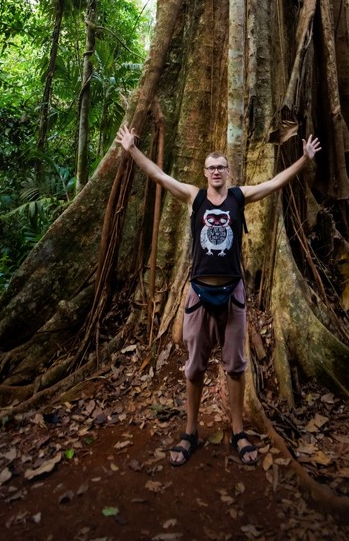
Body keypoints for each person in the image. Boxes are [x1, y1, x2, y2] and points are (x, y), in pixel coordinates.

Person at [115, 124, 321, 467]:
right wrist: (132, 149)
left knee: (236, 367)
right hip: (199, 293)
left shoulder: (239, 196)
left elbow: (274, 183)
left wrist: (304, 159)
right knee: (194, 367)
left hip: (232, 294)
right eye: (211, 167)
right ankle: (190, 431)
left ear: (228, 172)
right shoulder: (194, 197)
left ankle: (238, 431)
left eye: (221, 167)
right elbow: (160, 176)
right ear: (204, 172)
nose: (215, 172)